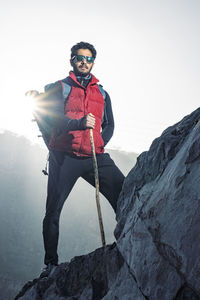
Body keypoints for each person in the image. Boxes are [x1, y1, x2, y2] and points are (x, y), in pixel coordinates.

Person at [27, 41, 125, 277]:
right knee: (53, 211)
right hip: (65, 157)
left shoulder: (102, 92)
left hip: (95, 156)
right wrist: (77, 124)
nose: (84, 62)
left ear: (93, 62)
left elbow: (109, 124)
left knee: (125, 194)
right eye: (80, 58)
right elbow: (51, 118)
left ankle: (128, 240)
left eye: (89, 59)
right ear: (72, 60)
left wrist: (101, 143)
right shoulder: (59, 87)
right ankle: (50, 264)